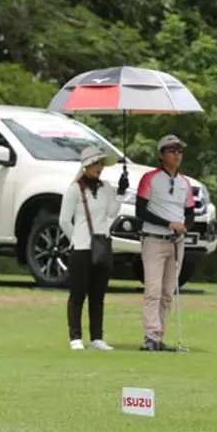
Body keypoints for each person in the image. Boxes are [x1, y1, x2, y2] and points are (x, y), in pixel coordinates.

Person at [59, 146, 129, 351]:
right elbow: (64, 220)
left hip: (101, 245)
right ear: (87, 166)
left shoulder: (106, 187)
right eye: (96, 164)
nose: (100, 167)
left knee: (98, 296)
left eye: (101, 164)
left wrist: (121, 192)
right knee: (78, 294)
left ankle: (97, 337)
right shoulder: (74, 189)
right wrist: (76, 239)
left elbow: (112, 212)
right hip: (81, 248)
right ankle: (75, 337)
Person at [135, 135, 195, 352]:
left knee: (168, 292)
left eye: (179, 151)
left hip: (176, 242)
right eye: (171, 151)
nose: (177, 155)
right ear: (161, 155)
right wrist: (169, 223)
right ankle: (150, 336)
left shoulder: (185, 183)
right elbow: (141, 211)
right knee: (153, 290)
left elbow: (190, 213)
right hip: (154, 239)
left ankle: (159, 336)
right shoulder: (149, 178)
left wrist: (184, 227)